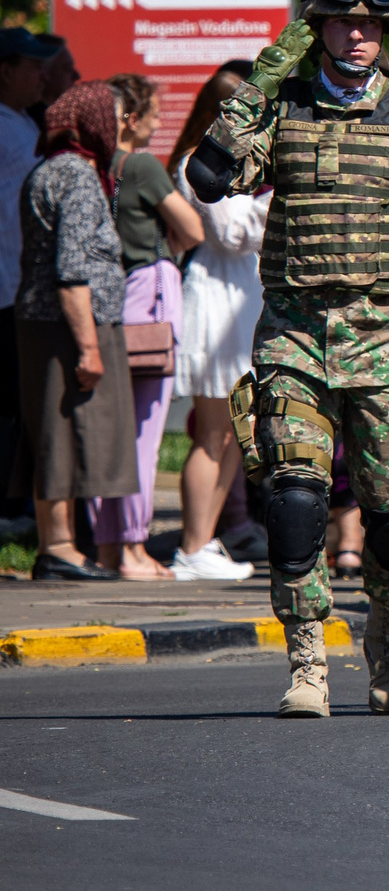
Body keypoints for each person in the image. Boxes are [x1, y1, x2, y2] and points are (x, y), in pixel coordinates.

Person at [187, 0, 389, 716]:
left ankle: (383, 630)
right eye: (344, 22)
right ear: (316, 29)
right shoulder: (281, 108)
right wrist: (256, 86)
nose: (358, 35)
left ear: (388, 32)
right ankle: (307, 657)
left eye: (371, 25)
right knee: (295, 501)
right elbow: (209, 176)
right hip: (296, 336)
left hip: (386, 342)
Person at [13, 81, 136, 580]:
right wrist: (89, 347)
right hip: (70, 326)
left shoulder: (50, 168)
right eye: (115, 115)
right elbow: (72, 269)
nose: (120, 126)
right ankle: (59, 545)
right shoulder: (77, 176)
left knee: (52, 434)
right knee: (63, 435)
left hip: (46, 322)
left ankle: (58, 543)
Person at [86, 75, 200, 579]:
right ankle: (133, 546)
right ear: (131, 118)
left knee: (107, 429)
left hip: (109, 298)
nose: (159, 118)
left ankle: (105, 544)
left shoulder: (97, 165)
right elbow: (192, 228)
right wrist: (165, 255)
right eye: (153, 110)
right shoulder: (144, 166)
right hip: (150, 297)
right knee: (144, 432)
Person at [169, 63, 264, 581]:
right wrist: (279, 200)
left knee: (232, 433)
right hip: (215, 301)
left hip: (240, 300)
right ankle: (191, 545)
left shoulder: (236, 163)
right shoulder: (196, 163)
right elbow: (231, 234)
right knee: (211, 433)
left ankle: (204, 542)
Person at [0, 29, 62, 531]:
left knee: (20, 404)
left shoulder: (22, 121)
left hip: (21, 287)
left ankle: (15, 506)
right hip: (6, 285)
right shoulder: (4, 128)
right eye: (33, 66)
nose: (43, 76)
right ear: (5, 70)